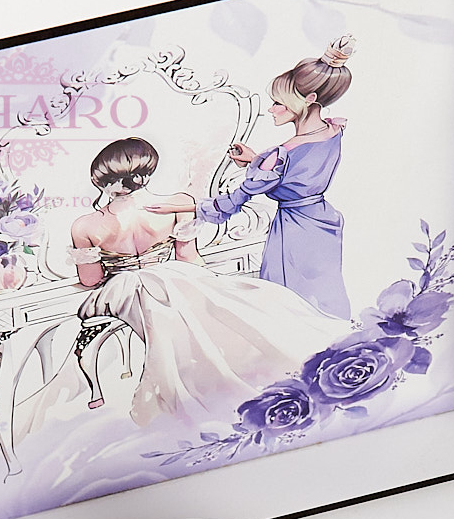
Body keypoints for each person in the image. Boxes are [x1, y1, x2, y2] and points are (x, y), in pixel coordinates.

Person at [26, 136, 341, 429]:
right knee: (212, 306)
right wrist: (206, 282)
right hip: (173, 275)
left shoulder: (85, 225)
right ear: (147, 172)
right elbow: (188, 256)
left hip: (123, 288)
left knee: (168, 315)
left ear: (100, 179)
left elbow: (91, 279)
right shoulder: (177, 204)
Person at [147, 36, 356, 318]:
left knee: (291, 306)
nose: (271, 109)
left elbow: (233, 202)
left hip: (293, 233)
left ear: (309, 100)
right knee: (324, 296)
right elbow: (298, 174)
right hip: (323, 223)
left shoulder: (282, 153)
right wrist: (256, 161)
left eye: (278, 103)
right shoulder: (332, 131)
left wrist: (183, 207)